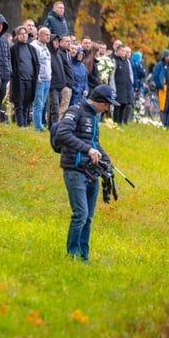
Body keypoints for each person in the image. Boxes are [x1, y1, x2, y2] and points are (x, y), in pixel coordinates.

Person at [56, 84, 117, 261]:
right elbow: (62, 133)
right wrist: (88, 150)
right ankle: (71, 255)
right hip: (74, 170)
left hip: (92, 172)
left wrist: (107, 161)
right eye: (107, 104)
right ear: (99, 101)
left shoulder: (94, 116)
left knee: (88, 218)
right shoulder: (75, 111)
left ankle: (84, 257)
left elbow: (94, 143)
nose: (107, 108)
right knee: (80, 214)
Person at [9, 25, 39, 127]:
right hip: (19, 79)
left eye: (25, 33)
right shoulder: (13, 49)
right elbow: (11, 63)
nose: (24, 36)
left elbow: (36, 63)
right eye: (21, 34)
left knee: (27, 102)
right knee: (19, 103)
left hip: (30, 79)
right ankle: (20, 124)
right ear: (17, 35)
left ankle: (26, 123)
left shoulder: (31, 48)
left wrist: (36, 75)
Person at [30, 28, 52, 131]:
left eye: (49, 35)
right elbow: (34, 64)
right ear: (39, 34)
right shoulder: (34, 46)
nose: (48, 36)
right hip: (40, 80)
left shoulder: (46, 47)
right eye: (46, 34)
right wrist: (37, 77)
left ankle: (39, 125)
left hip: (47, 79)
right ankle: (38, 127)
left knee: (42, 104)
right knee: (38, 104)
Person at [152, 50, 169, 128]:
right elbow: (155, 76)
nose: (168, 58)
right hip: (163, 88)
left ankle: (167, 124)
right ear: (164, 57)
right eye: (166, 56)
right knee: (163, 106)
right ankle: (162, 123)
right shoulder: (159, 65)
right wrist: (159, 85)